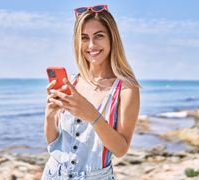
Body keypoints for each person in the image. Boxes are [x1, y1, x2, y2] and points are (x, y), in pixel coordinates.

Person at [42, 4, 140, 179]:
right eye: (84, 38)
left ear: (112, 38)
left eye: (99, 36)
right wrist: (49, 115)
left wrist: (93, 117)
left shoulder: (126, 88)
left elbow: (120, 149)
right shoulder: (70, 82)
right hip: (53, 174)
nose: (91, 45)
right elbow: (53, 143)